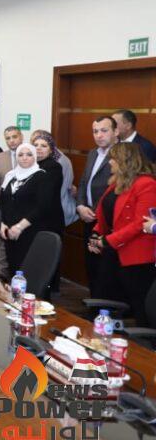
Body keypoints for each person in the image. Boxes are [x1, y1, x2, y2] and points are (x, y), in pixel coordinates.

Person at [90, 142, 156, 325]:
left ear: (125, 161)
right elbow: (105, 213)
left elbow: (141, 223)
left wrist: (108, 240)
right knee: (103, 300)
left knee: (141, 307)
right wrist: (96, 235)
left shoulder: (147, 184)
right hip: (113, 249)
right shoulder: (116, 183)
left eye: (113, 158)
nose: (110, 162)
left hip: (135, 255)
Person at [77, 115, 119, 298]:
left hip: (106, 221)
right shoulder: (93, 153)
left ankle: (103, 306)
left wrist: (94, 211)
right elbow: (84, 182)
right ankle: (94, 304)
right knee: (91, 265)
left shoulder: (120, 155)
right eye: (95, 131)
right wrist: (80, 206)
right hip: (87, 217)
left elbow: (114, 190)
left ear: (116, 131)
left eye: (104, 130)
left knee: (105, 270)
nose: (99, 135)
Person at [0, 144, 53, 277]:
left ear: (34, 157)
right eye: (20, 155)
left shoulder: (41, 176)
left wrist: (19, 227)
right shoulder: (11, 176)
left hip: (29, 231)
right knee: (13, 269)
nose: (24, 158)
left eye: (29, 154)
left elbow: (42, 207)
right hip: (9, 231)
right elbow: (1, 203)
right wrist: (1, 224)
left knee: (27, 272)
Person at [0, 126, 24, 280]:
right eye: (8, 138)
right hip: (4, 209)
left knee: (20, 245)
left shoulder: (29, 155)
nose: (11, 141)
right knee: (1, 243)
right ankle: (0, 276)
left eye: (14, 137)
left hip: (23, 211)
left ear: (21, 137)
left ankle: (18, 278)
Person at [31, 131, 66, 235]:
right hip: (33, 220)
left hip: (48, 222)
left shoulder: (53, 167)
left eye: (44, 146)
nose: (38, 148)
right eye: (35, 145)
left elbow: (43, 196)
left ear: (51, 150)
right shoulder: (30, 165)